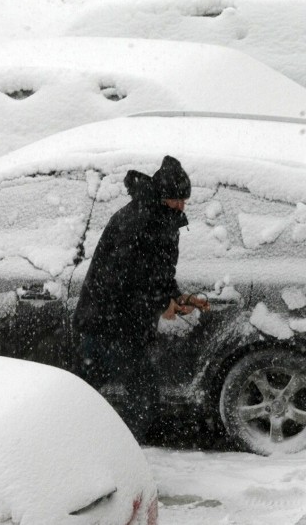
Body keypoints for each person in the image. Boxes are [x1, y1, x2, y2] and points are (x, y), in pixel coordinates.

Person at [73, 155, 209, 441]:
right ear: (162, 194)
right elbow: (121, 280)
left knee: (105, 390)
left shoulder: (163, 219)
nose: (181, 205)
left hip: (126, 324)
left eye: (184, 199)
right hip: (108, 323)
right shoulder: (137, 221)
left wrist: (177, 296)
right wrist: (160, 304)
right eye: (176, 198)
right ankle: (102, 448)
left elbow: (158, 272)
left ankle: (82, 442)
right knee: (135, 392)